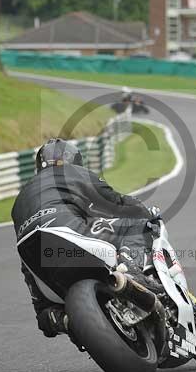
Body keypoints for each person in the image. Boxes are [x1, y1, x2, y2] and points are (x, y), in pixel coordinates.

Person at [11, 138, 159, 338]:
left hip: (34, 254)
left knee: (44, 307)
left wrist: (42, 308)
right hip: (65, 233)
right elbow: (115, 202)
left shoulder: (20, 199)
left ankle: (60, 319)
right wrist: (145, 212)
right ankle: (132, 270)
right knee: (136, 224)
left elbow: (25, 260)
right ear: (74, 160)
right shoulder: (73, 172)